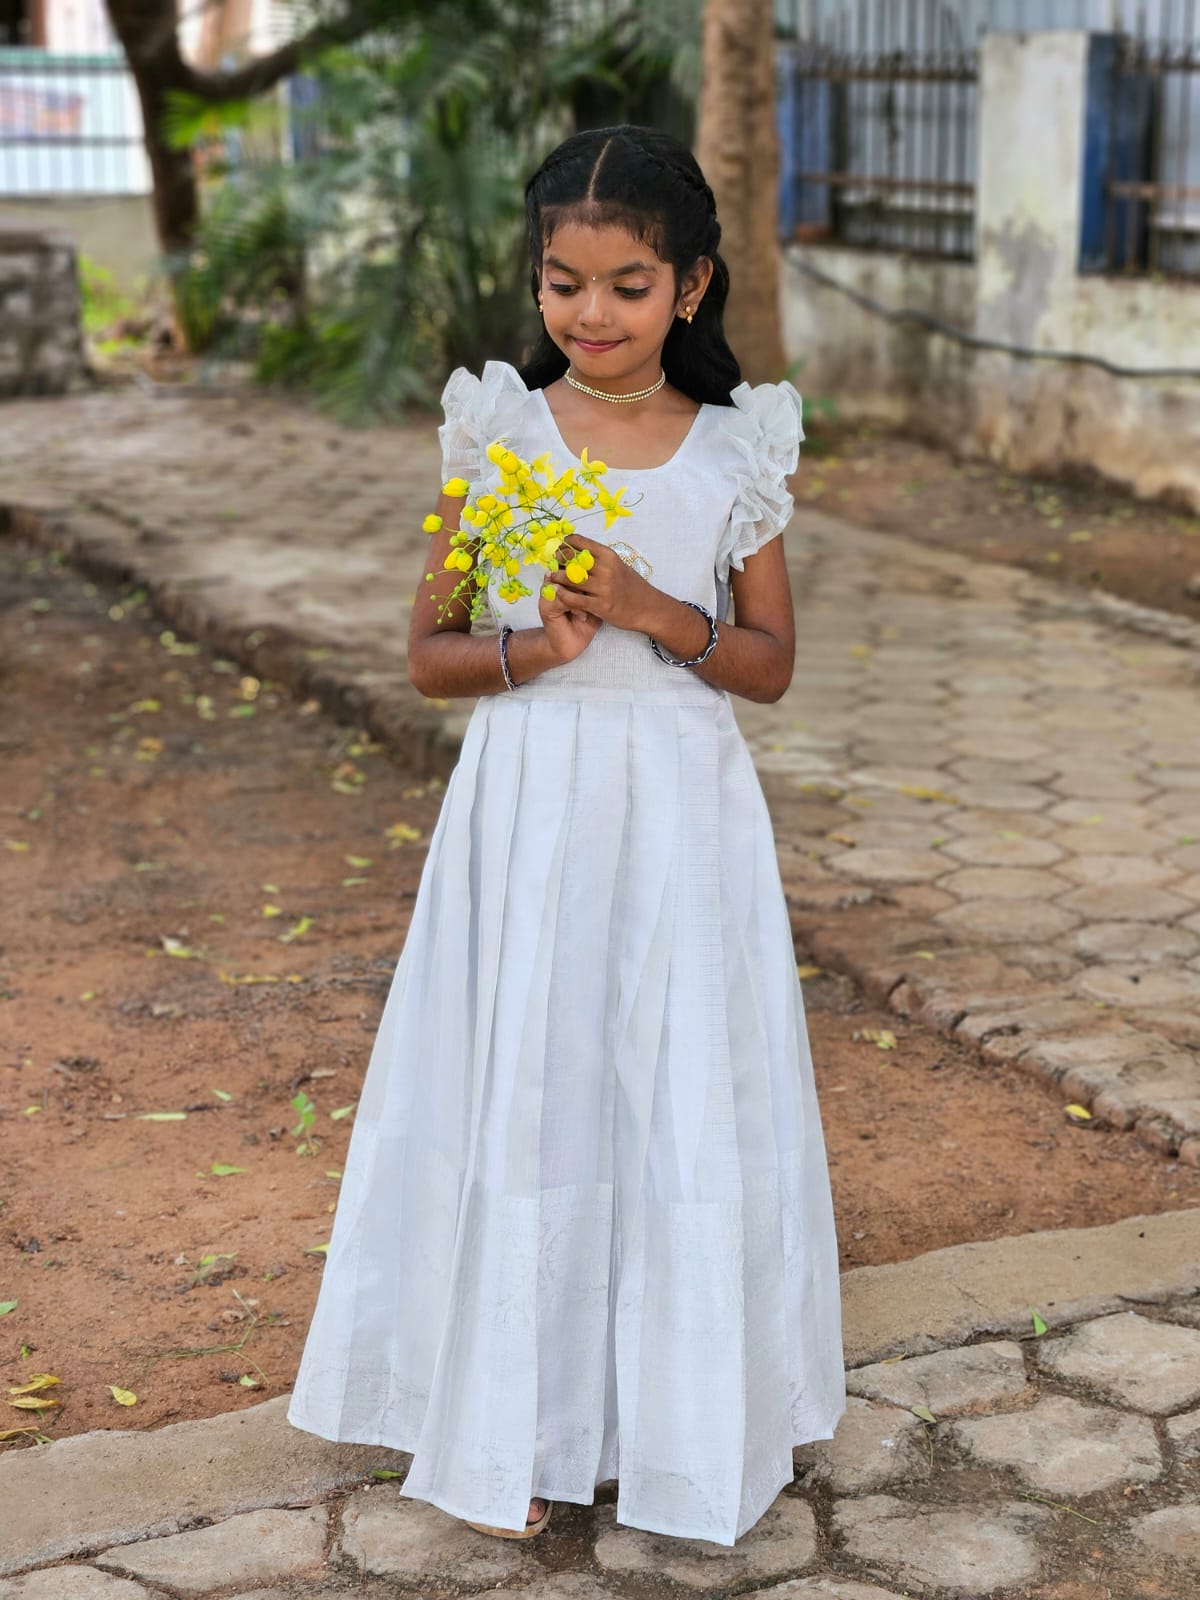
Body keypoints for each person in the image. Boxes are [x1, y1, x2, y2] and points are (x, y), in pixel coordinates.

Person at [286, 123, 847, 1548]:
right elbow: (430, 651)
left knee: (673, 1089)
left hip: (684, 813)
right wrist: (533, 647)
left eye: (628, 286)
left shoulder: (737, 448)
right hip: (530, 807)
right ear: (535, 280)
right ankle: (514, 1426)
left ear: (692, 285)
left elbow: (771, 665)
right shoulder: (502, 436)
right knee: (534, 1087)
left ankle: (684, 1417)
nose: (591, 313)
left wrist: (658, 613)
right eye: (563, 283)